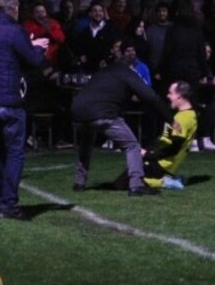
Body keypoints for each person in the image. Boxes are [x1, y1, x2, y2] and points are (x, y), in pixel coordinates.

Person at [0, 0, 48, 220]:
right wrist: (38, 48)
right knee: (15, 152)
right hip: (8, 99)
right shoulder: (15, 30)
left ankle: (1, 201)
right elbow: (33, 61)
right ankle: (8, 205)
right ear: (15, 10)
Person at [71, 51, 173, 196]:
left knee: (86, 146)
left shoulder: (105, 71)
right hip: (103, 113)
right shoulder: (127, 72)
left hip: (79, 111)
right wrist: (170, 118)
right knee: (132, 146)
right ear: (131, 67)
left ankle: (79, 183)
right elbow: (150, 96)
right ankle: (136, 185)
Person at [113, 81, 197, 190]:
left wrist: (148, 155)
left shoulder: (182, 118)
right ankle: (171, 178)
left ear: (179, 96)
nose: (168, 96)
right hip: (164, 163)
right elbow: (168, 141)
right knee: (127, 177)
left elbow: (174, 148)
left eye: (170, 93)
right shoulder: (190, 114)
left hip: (161, 164)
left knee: (122, 184)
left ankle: (165, 182)